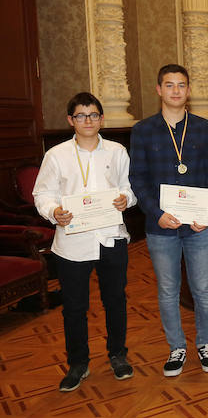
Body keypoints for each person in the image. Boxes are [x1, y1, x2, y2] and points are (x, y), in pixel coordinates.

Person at [34, 92, 137, 392]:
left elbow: (130, 188)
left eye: (93, 115)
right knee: (74, 307)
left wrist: (125, 199)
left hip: (111, 238)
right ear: (71, 120)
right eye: (81, 115)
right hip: (72, 242)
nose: (88, 120)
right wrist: (54, 212)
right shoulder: (57, 155)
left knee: (115, 300)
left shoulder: (117, 151)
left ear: (101, 119)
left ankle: (118, 355)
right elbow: (43, 193)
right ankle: (78, 363)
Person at [129, 64, 208, 376]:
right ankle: (177, 347)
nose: (176, 91)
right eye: (169, 85)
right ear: (159, 90)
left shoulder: (203, 128)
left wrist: (205, 214)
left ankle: (205, 343)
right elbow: (137, 180)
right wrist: (157, 214)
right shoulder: (143, 130)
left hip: (198, 226)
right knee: (168, 290)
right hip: (160, 226)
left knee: (203, 288)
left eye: (182, 85)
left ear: (188, 90)